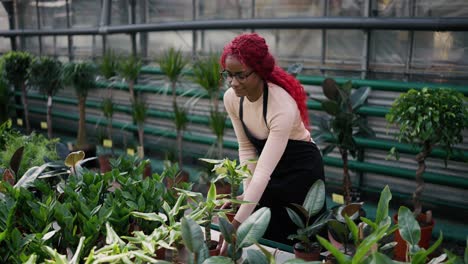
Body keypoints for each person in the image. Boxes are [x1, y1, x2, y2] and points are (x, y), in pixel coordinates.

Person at [218, 33, 326, 252]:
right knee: (265, 240)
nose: (233, 82)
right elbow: (247, 149)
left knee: (298, 244)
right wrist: (246, 198)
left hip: (301, 171)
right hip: (270, 172)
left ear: (259, 72)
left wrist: (235, 224)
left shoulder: (281, 106)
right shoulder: (231, 98)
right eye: (228, 75)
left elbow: (262, 172)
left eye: (240, 75)